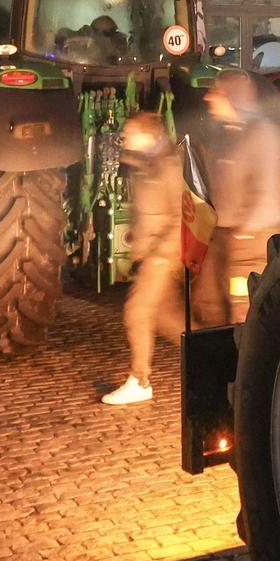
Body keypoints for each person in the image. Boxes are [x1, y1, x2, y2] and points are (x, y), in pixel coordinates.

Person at [192, 70, 280, 327]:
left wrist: (243, 236)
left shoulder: (261, 134)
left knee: (242, 310)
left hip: (249, 241)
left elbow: (266, 192)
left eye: (216, 92)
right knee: (209, 304)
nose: (208, 97)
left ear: (231, 97)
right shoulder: (227, 133)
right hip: (225, 235)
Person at [102, 113, 185, 405]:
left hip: (161, 254)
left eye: (131, 132)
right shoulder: (145, 162)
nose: (126, 137)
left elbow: (180, 215)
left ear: (148, 135)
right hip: (151, 252)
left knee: (137, 312)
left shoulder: (166, 165)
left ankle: (140, 380)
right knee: (170, 321)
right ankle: (219, 357)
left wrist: (163, 255)